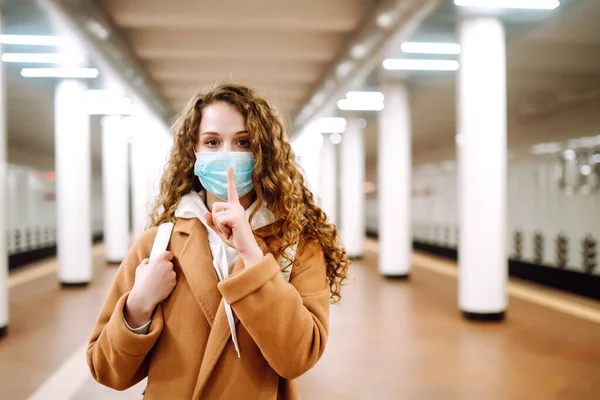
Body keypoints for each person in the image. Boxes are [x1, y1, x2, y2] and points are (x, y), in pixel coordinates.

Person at [86, 83, 350, 399]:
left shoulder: (299, 247)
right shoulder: (156, 246)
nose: (227, 155)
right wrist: (139, 304)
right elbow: (106, 369)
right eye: (212, 142)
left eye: (243, 142)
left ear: (263, 153)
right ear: (193, 153)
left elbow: (297, 358)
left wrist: (253, 256)